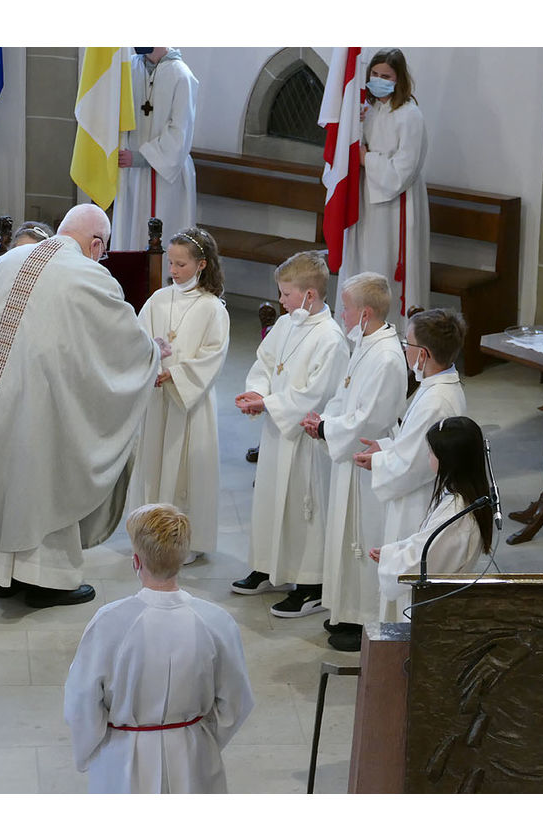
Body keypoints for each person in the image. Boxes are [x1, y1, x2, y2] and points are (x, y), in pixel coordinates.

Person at [0, 203, 160, 609]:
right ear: (97, 244)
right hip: (37, 400)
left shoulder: (9, 259)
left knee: (0, 476)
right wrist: (153, 353)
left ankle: (2, 577)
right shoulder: (91, 276)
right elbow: (121, 343)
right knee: (42, 477)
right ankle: (47, 582)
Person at [64, 504, 254, 793]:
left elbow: (82, 700)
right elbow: (237, 700)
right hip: (194, 757)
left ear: (136, 561)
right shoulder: (216, 621)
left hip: (123, 759)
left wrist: (90, 751)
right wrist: (199, 737)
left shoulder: (110, 622)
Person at [231, 251, 350, 616]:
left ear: (309, 295)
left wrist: (268, 404)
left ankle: (311, 584)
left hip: (306, 442)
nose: (280, 301)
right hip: (277, 433)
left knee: (303, 513)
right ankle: (269, 567)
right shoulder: (287, 324)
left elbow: (314, 395)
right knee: (269, 502)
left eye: (285, 294)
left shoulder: (331, 339)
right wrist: (258, 393)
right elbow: (264, 362)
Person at [302, 272, 407, 652]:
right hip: (349, 456)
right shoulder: (364, 342)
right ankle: (346, 611)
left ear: (365, 313)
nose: (340, 314)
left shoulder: (387, 357)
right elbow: (343, 397)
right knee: (346, 539)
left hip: (368, 460)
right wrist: (324, 420)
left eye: (345, 308)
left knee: (363, 540)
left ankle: (366, 618)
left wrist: (329, 427)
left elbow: (369, 420)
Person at [128, 227, 230, 564]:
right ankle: (150, 534)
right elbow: (138, 340)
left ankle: (184, 541)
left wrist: (177, 373)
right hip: (158, 401)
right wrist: (149, 363)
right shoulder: (158, 300)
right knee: (155, 464)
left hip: (190, 403)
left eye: (181, 264)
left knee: (185, 469)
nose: (172, 271)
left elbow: (213, 354)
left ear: (202, 264)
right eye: (171, 263)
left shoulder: (213, 308)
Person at [354, 309, 468, 597]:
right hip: (418, 491)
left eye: (408, 344)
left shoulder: (437, 400)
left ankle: (396, 641)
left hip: (418, 501)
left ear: (423, 354)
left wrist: (378, 461)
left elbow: (416, 465)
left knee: (406, 584)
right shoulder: (435, 386)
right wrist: (388, 447)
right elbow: (416, 445)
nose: (404, 349)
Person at [337, 48, 430, 325]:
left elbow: (403, 169)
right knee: (363, 263)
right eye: (374, 74)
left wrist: (368, 159)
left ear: (399, 79)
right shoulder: (369, 110)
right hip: (366, 200)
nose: (379, 80)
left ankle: (394, 332)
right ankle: (358, 326)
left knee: (387, 268)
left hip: (395, 204)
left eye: (386, 76)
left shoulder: (409, 115)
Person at [370, 416, 494, 620]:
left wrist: (390, 559)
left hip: (439, 610)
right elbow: (430, 544)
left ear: (448, 460)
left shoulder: (456, 514)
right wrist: (393, 552)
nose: (428, 457)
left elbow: (425, 560)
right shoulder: (460, 496)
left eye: (431, 453)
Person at [112, 47, 198, 263]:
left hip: (166, 176)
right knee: (130, 237)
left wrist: (141, 157)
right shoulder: (129, 67)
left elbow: (180, 131)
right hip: (130, 173)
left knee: (166, 238)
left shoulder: (181, 75)